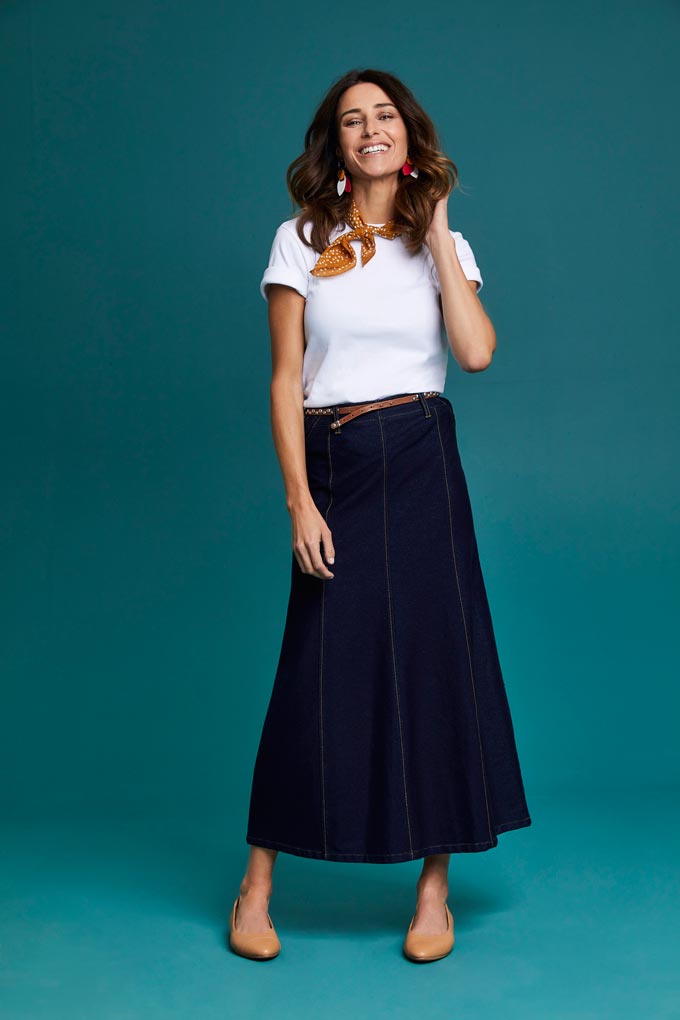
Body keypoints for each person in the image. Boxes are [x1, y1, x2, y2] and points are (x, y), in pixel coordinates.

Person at [228, 67, 532, 963]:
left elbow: (474, 353)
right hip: (335, 465)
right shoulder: (300, 241)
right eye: (354, 120)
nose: (372, 129)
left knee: (440, 661)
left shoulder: (447, 241)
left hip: (424, 461)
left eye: (386, 116)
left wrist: (435, 231)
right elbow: (286, 381)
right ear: (337, 143)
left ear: (408, 136)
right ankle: (257, 886)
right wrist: (299, 502)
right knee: (313, 672)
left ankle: (432, 892)